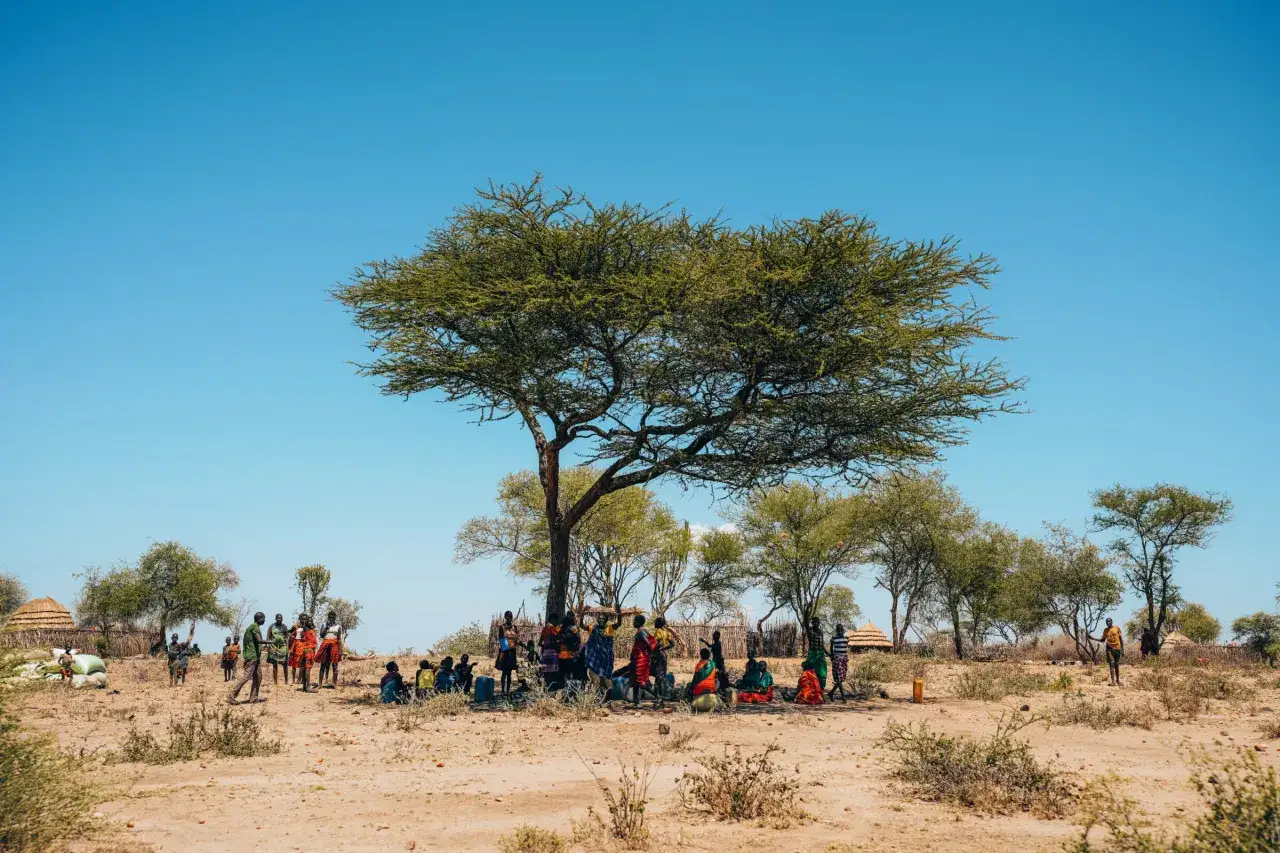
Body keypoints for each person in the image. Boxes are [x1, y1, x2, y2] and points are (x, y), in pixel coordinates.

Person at [229, 612, 266, 705]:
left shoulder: (253, 627)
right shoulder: (254, 627)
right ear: (260, 619)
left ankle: (253, 697)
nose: (264, 620)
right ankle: (231, 696)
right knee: (247, 676)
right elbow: (259, 640)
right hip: (252, 656)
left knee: (258, 677)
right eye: (263, 618)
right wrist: (272, 642)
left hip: (256, 657)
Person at [584, 612, 620, 694]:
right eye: (599, 618)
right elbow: (582, 626)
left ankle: (609, 698)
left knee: (606, 679)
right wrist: (582, 616)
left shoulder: (609, 629)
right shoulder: (593, 629)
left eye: (603, 619)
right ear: (597, 620)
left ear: (606, 621)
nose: (601, 620)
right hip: (595, 658)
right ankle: (597, 698)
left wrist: (619, 614)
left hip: (606, 659)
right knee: (596, 680)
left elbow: (618, 624)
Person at [629, 614, 656, 707]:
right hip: (637, 659)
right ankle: (636, 702)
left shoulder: (641, 632)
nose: (633, 622)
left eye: (634, 621)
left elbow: (648, 644)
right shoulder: (640, 632)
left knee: (641, 682)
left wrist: (647, 654)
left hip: (640, 660)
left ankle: (659, 697)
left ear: (638, 622)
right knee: (635, 681)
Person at [1092, 617, 1125, 686]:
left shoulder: (1117, 628)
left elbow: (1121, 639)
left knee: (1116, 665)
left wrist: (1122, 650)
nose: (1108, 622)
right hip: (1109, 649)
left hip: (1117, 648)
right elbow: (1102, 640)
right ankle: (1113, 681)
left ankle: (1118, 680)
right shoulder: (1106, 630)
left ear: (1112, 621)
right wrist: (1092, 638)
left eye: (1109, 621)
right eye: (1107, 622)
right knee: (1111, 664)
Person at [316, 610, 343, 689]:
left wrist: (340, 650)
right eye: (330, 616)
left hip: (334, 645)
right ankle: (320, 684)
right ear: (328, 617)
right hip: (325, 644)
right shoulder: (324, 625)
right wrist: (326, 627)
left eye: (333, 616)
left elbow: (339, 639)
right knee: (323, 664)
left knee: (335, 665)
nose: (331, 617)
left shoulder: (338, 626)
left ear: (335, 618)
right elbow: (321, 635)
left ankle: (335, 684)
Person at [495, 611, 520, 697]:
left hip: (512, 652)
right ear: (505, 617)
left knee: (509, 673)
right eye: (507, 616)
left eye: (510, 616)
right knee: (504, 672)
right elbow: (501, 639)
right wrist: (506, 650)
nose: (509, 618)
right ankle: (502, 691)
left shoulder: (515, 628)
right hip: (505, 652)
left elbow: (517, 640)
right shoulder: (502, 627)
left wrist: (524, 646)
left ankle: (508, 691)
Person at [291, 614, 318, 692]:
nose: (310, 622)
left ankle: (304, 687)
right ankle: (308, 687)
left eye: (310, 621)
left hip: (306, 649)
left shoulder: (307, 629)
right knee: (307, 668)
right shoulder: (306, 629)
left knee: (304, 667)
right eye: (308, 621)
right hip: (309, 650)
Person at [556, 613, 584, 689]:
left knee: (563, 671)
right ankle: (568, 687)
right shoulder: (574, 628)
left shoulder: (560, 627)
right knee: (569, 672)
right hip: (570, 654)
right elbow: (578, 640)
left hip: (562, 653)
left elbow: (557, 637)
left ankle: (563, 687)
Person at [167, 621, 196, 686]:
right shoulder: (170, 645)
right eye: (173, 637)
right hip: (171, 661)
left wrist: (192, 630)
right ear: (172, 638)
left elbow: (188, 640)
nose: (174, 639)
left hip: (177, 661)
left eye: (175, 638)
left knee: (177, 673)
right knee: (171, 673)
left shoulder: (179, 646)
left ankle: (177, 684)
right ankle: (171, 685)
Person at [651, 617, 674, 700]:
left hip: (657, 655)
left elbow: (658, 643)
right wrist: (664, 649)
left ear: (658, 624)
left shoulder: (658, 631)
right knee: (660, 676)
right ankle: (660, 696)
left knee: (657, 675)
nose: (654, 623)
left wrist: (652, 650)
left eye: (655, 622)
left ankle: (658, 696)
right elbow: (672, 644)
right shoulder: (666, 632)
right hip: (663, 655)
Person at [805, 616, 828, 691]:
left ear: (819, 623)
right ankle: (809, 689)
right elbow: (805, 622)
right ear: (812, 623)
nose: (815, 623)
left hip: (820, 654)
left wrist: (828, 653)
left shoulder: (820, 632)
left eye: (817, 622)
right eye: (814, 622)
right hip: (812, 654)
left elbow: (821, 645)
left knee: (822, 673)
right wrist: (807, 610)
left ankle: (820, 690)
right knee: (810, 672)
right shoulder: (810, 631)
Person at [266, 614, 290, 685]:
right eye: (278, 618)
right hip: (274, 646)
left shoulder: (284, 627)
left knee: (284, 664)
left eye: (281, 618)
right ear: (275, 619)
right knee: (275, 664)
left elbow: (287, 637)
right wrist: (268, 645)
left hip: (283, 647)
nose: (279, 620)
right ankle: (275, 682)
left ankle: (286, 681)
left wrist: (287, 647)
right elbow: (268, 636)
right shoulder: (272, 626)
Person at [827, 623, 849, 701]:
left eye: (841, 629)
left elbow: (846, 647)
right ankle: (843, 697)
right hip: (837, 659)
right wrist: (832, 657)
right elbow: (831, 648)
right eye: (838, 629)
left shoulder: (847, 637)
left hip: (844, 659)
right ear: (836, 630)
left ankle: (831, 693)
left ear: (843, 629)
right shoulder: (833, 638)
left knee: (841, 678)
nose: (839, 630)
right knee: (839, 679)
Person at [538, 620, 560, 689]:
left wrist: (545, 647)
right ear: (553, 619)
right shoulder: (552, 628)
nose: (556, 623)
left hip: (545, 653)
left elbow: (539, 643)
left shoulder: (544, 629)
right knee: (553, 672)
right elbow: (557, 638)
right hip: (552, 653)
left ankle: (546, 687)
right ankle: (551, 687)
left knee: (546, 671)